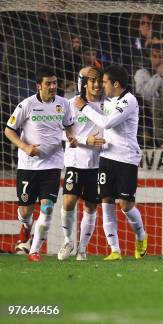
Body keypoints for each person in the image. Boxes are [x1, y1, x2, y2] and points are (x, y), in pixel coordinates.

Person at [74, 64, 147, 261]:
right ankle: (114, 249)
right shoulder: (108, 99)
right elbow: (83, 92)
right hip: (106, 156)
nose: (101, 85)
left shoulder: (128, 101)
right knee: (106, 201)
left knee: (125, 205)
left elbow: (106, 123)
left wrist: (84, 108)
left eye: (104, 82)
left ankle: (141, 235)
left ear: (116, 83)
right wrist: (83, 76)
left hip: (126, 158)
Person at [4, 65, 76, 261]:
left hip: (52, 164)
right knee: (25, 212)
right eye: (48, 83)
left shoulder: (63, 104)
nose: (53, 86)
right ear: (39, 86)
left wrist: (72, 137)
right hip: (28, 165)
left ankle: (34, 250)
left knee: (48, 207)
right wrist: (25, 147)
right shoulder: (26, 105)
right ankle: (26, 227)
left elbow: (69, 127)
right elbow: (9, 130)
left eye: (55, 83)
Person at [57, 67, 106, 261]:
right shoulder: (71, 104)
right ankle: (68, 241)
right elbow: (61, 132)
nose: (96, 84)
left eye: (99, 80)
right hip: (75, 161)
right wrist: (86, 140)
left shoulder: (106, 105)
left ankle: (82, 249)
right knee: (69, 201)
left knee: (91, 206)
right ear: (84, 83)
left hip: (97, 164)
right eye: (92, 80)